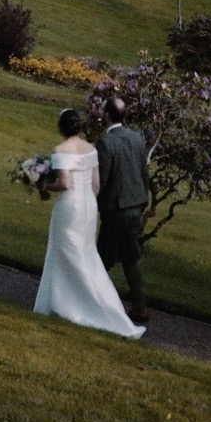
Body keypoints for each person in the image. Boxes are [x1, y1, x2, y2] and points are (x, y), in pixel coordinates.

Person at [32, 109, 146, 338]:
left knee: (65, 252)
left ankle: (69, 303)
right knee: (85, 253)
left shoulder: (60, 150)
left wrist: (43, 185)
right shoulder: (91, 148)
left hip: (70, 206)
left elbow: (64, 183)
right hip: (88, 206)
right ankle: (95, 302)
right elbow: (96, 184)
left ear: (61, 128)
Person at [94, 95, 151, 324]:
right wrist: (142, 200)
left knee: (102, 259)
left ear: (106, 115)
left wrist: (91, 201)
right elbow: (143, 173)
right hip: (135, 205)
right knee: (129, 257)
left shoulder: (105, 143)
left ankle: (94, 300)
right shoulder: (137, 138)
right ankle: (138, 307)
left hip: (116, 209)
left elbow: (102, 179)